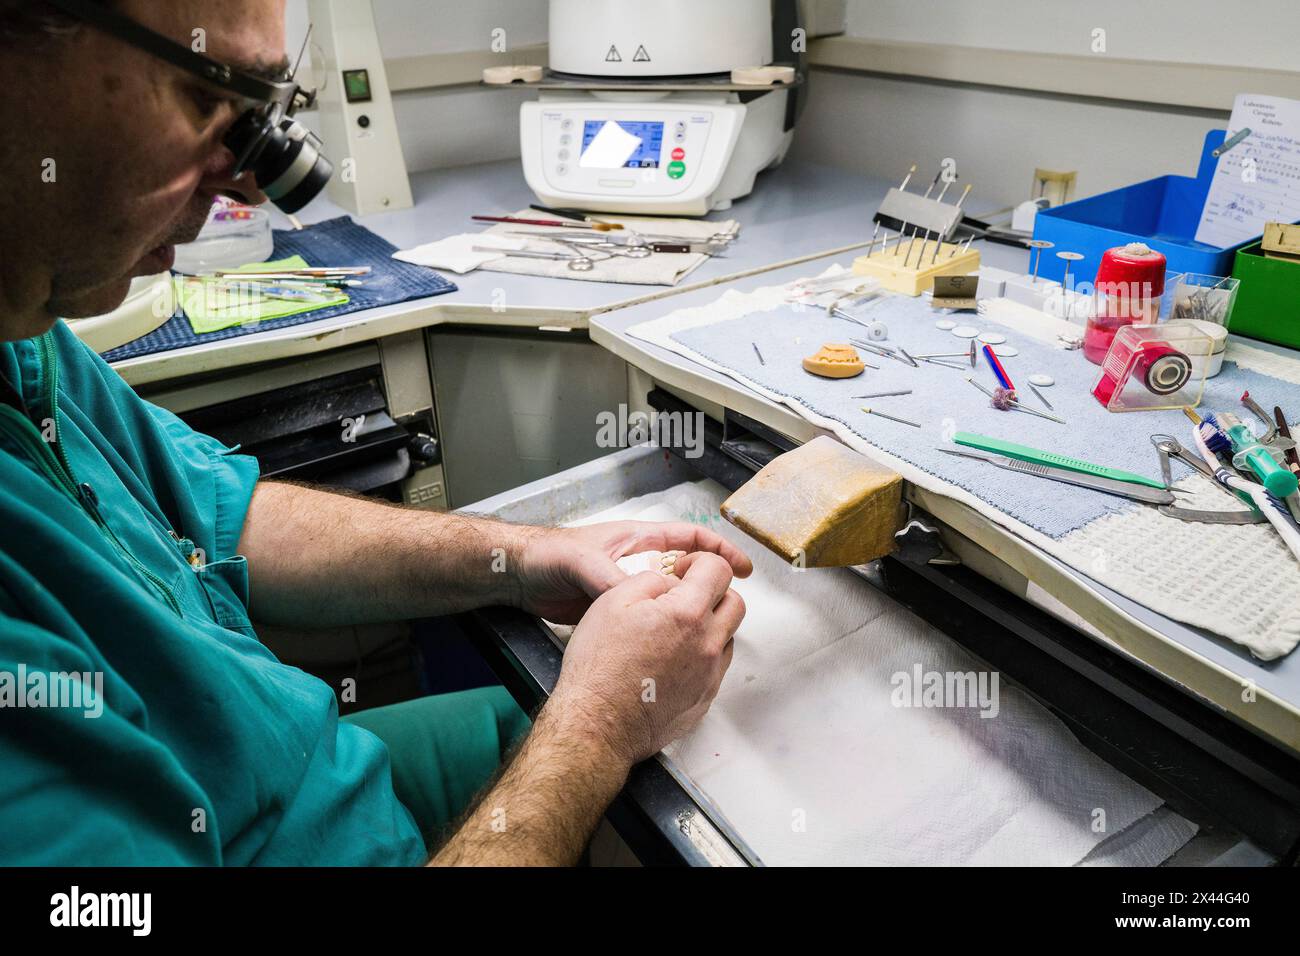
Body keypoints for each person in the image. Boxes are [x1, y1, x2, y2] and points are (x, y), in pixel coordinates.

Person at [0, 0, 750, 866]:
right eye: (212, 95)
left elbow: (224, 522)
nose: (253, 180)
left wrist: (526, 556)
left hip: (302, 782)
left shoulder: (25, 330)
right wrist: (595, 726)